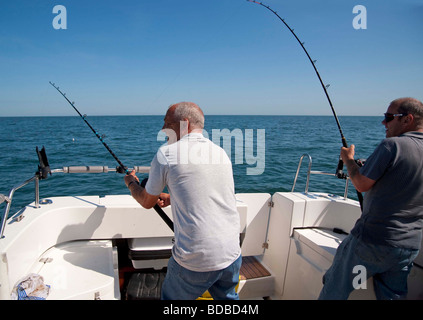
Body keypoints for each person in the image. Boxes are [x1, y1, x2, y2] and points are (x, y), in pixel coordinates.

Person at [124, 102, 242, 300]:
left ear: (184, 123)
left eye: (167, 123)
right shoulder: (221, 153)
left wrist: (131, 184)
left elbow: (146, 201)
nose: (163, 129)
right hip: (232, 254)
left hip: (195, 260)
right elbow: (214, 193)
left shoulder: (167, 154)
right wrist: (172, 198)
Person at [319, 97, 423, 300]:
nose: (384, 122)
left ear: (407, 119)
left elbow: (360, 184)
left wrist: (348, 160)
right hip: (408, 247)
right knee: (393, 296)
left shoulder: (392, 146)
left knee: (334, 289)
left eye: (389, 117)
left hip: (372, 241)